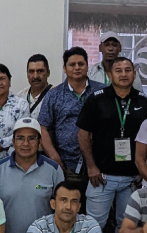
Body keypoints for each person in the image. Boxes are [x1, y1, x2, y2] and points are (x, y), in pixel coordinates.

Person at [78, 57, 147, 231]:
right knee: (93, 227)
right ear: (110, 75)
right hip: (101, 176)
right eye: (118, 70)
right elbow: (83, 134)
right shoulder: (96, 100)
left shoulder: (145, 103)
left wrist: (144, 169)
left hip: (133, 179)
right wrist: (91, 166)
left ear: (134, 75)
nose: (123, 74)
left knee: (127, 227)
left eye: (128, 70)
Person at [40, 48, 106, 181]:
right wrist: (54, 158)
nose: (77, 68)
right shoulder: (54, 95)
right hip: (67, 165)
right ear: (65, 68)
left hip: (101, 164)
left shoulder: (102, 91)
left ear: (87, 66)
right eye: (72, 64)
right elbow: (43, 128)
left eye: (81, 64)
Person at [19, 54, 53, 121]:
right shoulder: (20, 96)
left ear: (48, 73)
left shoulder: (56, 96)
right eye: (31, 71)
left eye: (40, 71)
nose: (35, 76)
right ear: (27, 74)